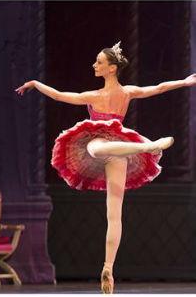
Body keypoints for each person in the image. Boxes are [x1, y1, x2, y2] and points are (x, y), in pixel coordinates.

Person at [15, 41, 196, 294]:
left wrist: (185, 83)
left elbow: (158, 87)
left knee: (114, 213)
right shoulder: (104, 94)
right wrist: (35, 83)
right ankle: (147, 146)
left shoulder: (116, 93)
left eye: (99, 62)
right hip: (110, 145)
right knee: (97, 149)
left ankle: (108, 267)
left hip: (115, 149)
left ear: (111, 68)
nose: (94, 65)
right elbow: (59, 95)